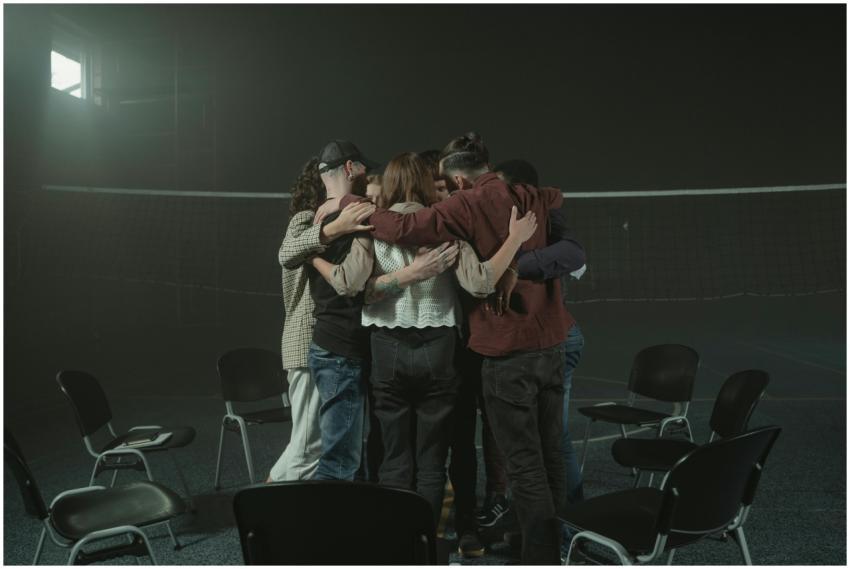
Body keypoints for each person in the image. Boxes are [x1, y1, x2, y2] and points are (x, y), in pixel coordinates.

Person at [340, 133, 571, 565]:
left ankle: (400, 549)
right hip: (516, 345)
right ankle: (536, 548)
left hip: (437, 348)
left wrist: (354, 208)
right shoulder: (522, 198)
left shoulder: (448, 213)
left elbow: (364, 272)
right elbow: (554, 210)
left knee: (400, 456)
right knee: (532, 456)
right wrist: (517, 247)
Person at [312, 152, 539, 528]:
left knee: (394, 457)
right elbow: (480, 283)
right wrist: (514, 243)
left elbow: (350, 285)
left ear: (390, 183)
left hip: (387, 346)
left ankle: (396, 541)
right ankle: (426, 541)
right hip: (439, 346)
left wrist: (314, 258)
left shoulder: (371, 224)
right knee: (432, 460)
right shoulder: (447, 224)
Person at [492, 159, 588, 558]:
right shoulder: (503, 217)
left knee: (554, 441)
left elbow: (575, 253)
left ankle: (570, 529)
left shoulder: (547, 216)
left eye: (500, 186)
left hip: (558, 338)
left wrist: (514, 266)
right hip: (534, 341)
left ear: (520, 188)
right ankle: (535, 528)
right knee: (536, 445)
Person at [268, 155, 375, 482]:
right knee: (308, 447)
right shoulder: (307, 218)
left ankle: (265, 493)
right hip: (308, 341)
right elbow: (287, 253)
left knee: (307, 443)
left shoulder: (341, 215)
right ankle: (273, 506)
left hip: (325, 341)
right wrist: (334, 228)